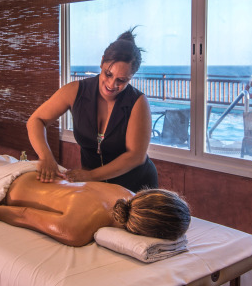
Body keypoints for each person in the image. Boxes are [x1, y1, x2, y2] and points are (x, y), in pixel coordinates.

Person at [27, 28, 158, 191]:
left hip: (135, 185)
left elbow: (135, 156)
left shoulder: (138, 102)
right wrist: (46, 156)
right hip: (95, 185)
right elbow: (36, 120)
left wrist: (91, 175)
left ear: (132, 76)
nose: (112, 84)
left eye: (122, 80)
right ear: (102, 62)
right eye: (108, 74)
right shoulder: (75, 91)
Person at [0, 170, 190, 247]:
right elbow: (23, 215)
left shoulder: (125, 192)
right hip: (5, 186)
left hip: (36, 172)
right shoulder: (77, 230)